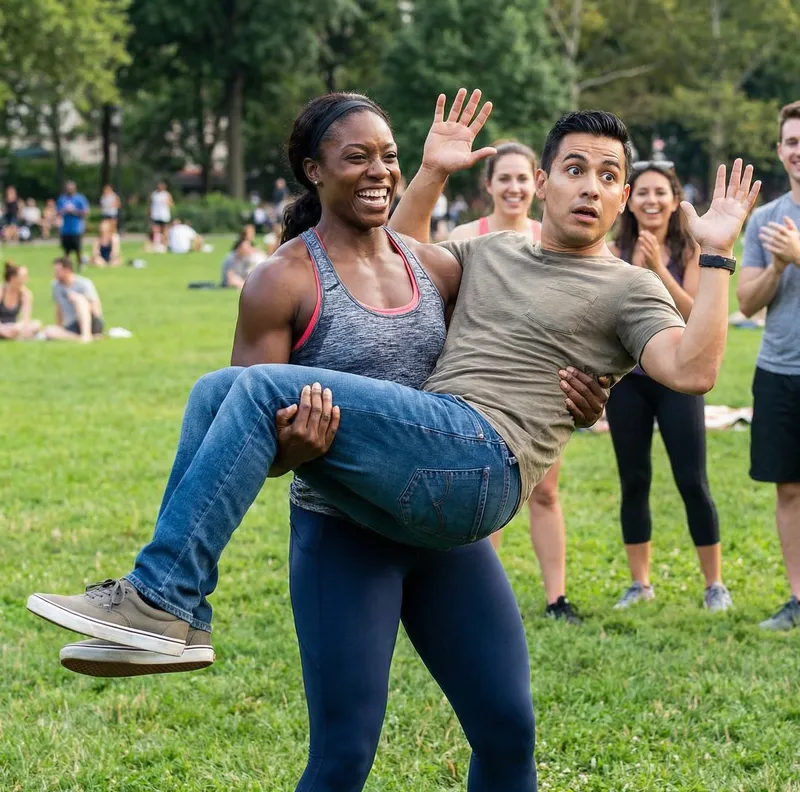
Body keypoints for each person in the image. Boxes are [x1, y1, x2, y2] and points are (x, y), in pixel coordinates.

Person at [28, 90, 757, 687]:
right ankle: (175, 619)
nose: (590, 187)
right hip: (431, 455)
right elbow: (391, 260)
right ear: (542, 182)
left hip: (482, 460)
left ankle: (160, 596)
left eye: (607, 176)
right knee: (217, 389)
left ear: (625, 195)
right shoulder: (488, 252)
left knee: (250, 390)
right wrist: (431, 172)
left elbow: (692, 371)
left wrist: (718, 252)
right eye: (574, 168)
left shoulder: (627, 288)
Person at [50, 94, 608, 792]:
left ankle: (167, 603)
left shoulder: (434, 268)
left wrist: (583, 391)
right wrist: (296, 448)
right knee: (344, 754)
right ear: (314, 171)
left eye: (389, 157)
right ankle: (169, 604)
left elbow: (518, 346)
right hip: (344, 539)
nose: (379, 172)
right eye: (357, 157)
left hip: (439, 531)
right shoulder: (281, 279)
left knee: (508, 728)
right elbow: (249, 442)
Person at [449, 141, 584, 623]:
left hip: (542, 392)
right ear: (489, 185)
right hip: (479, 392)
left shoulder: (554, 238)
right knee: (485, 495)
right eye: (504, 178)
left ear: (539, 184)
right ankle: (482, 599)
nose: (514, 187)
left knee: (545, 492)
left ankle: (557, 598)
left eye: (523, 178)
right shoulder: (466, 237)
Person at [606, 161, 732, 611]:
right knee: (633, 479)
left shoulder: (691, 250)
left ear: (674, 198)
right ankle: (640, 584)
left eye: (660, 192)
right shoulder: (613, 250)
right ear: (628, 199)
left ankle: (714, 584)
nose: (651, 200)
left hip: (678, 379)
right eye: (642, 192)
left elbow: (697, 315)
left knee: (692, 480)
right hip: (629, 382)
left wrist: (658, 267)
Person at [737, 100, 800, 630]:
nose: (799, 151)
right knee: (789, 487)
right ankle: (797, 598)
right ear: (780, 151)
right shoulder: (764, 219)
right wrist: (778, 263)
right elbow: (747, 304)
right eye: (793, 142)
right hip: (779, 369)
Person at [41, 257, 104, 343]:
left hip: (90, 321)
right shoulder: (55, 286)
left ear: (67, 270)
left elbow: (96, 309)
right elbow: (59, 307)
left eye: (57, 271)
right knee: (49, 331)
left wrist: (79, 306)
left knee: (78, 298)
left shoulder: (84, 283)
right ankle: (84, 338)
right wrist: (59, 326)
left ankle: (86, 334)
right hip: (72, 324)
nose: (55, 273)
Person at [0, 262, 41, 340]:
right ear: (13, 278)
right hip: (1, 326)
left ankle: (12, 335)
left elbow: (26, 318)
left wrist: (18, 327)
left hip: (13, 326)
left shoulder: (26, 294)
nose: (27, 279)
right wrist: (2, 329)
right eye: (24, 276)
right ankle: (17, 336)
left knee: (37, 324)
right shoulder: (1, 291)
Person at [56, 181, 90, 267]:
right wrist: (64, 210)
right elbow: (58, 212)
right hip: (65, 229)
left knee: (77, 249)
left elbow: (86, 212)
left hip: (76, 228)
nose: (69, 190)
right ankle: (67, 266)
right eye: (68, 188)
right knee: (66, 250)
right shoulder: (62, 199)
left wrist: (74, 211)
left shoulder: (80, 199)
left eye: (71, 188)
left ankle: (80, 264)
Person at [149, 181, 174, 248]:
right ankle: (156, 243)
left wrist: (167, 202)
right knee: (155, 230)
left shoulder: (166, 194)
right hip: (155, 215)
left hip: (164, 215)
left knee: (165, 230)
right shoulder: (154, 194)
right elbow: (150, 204)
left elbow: (172, 204)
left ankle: (165, 244)